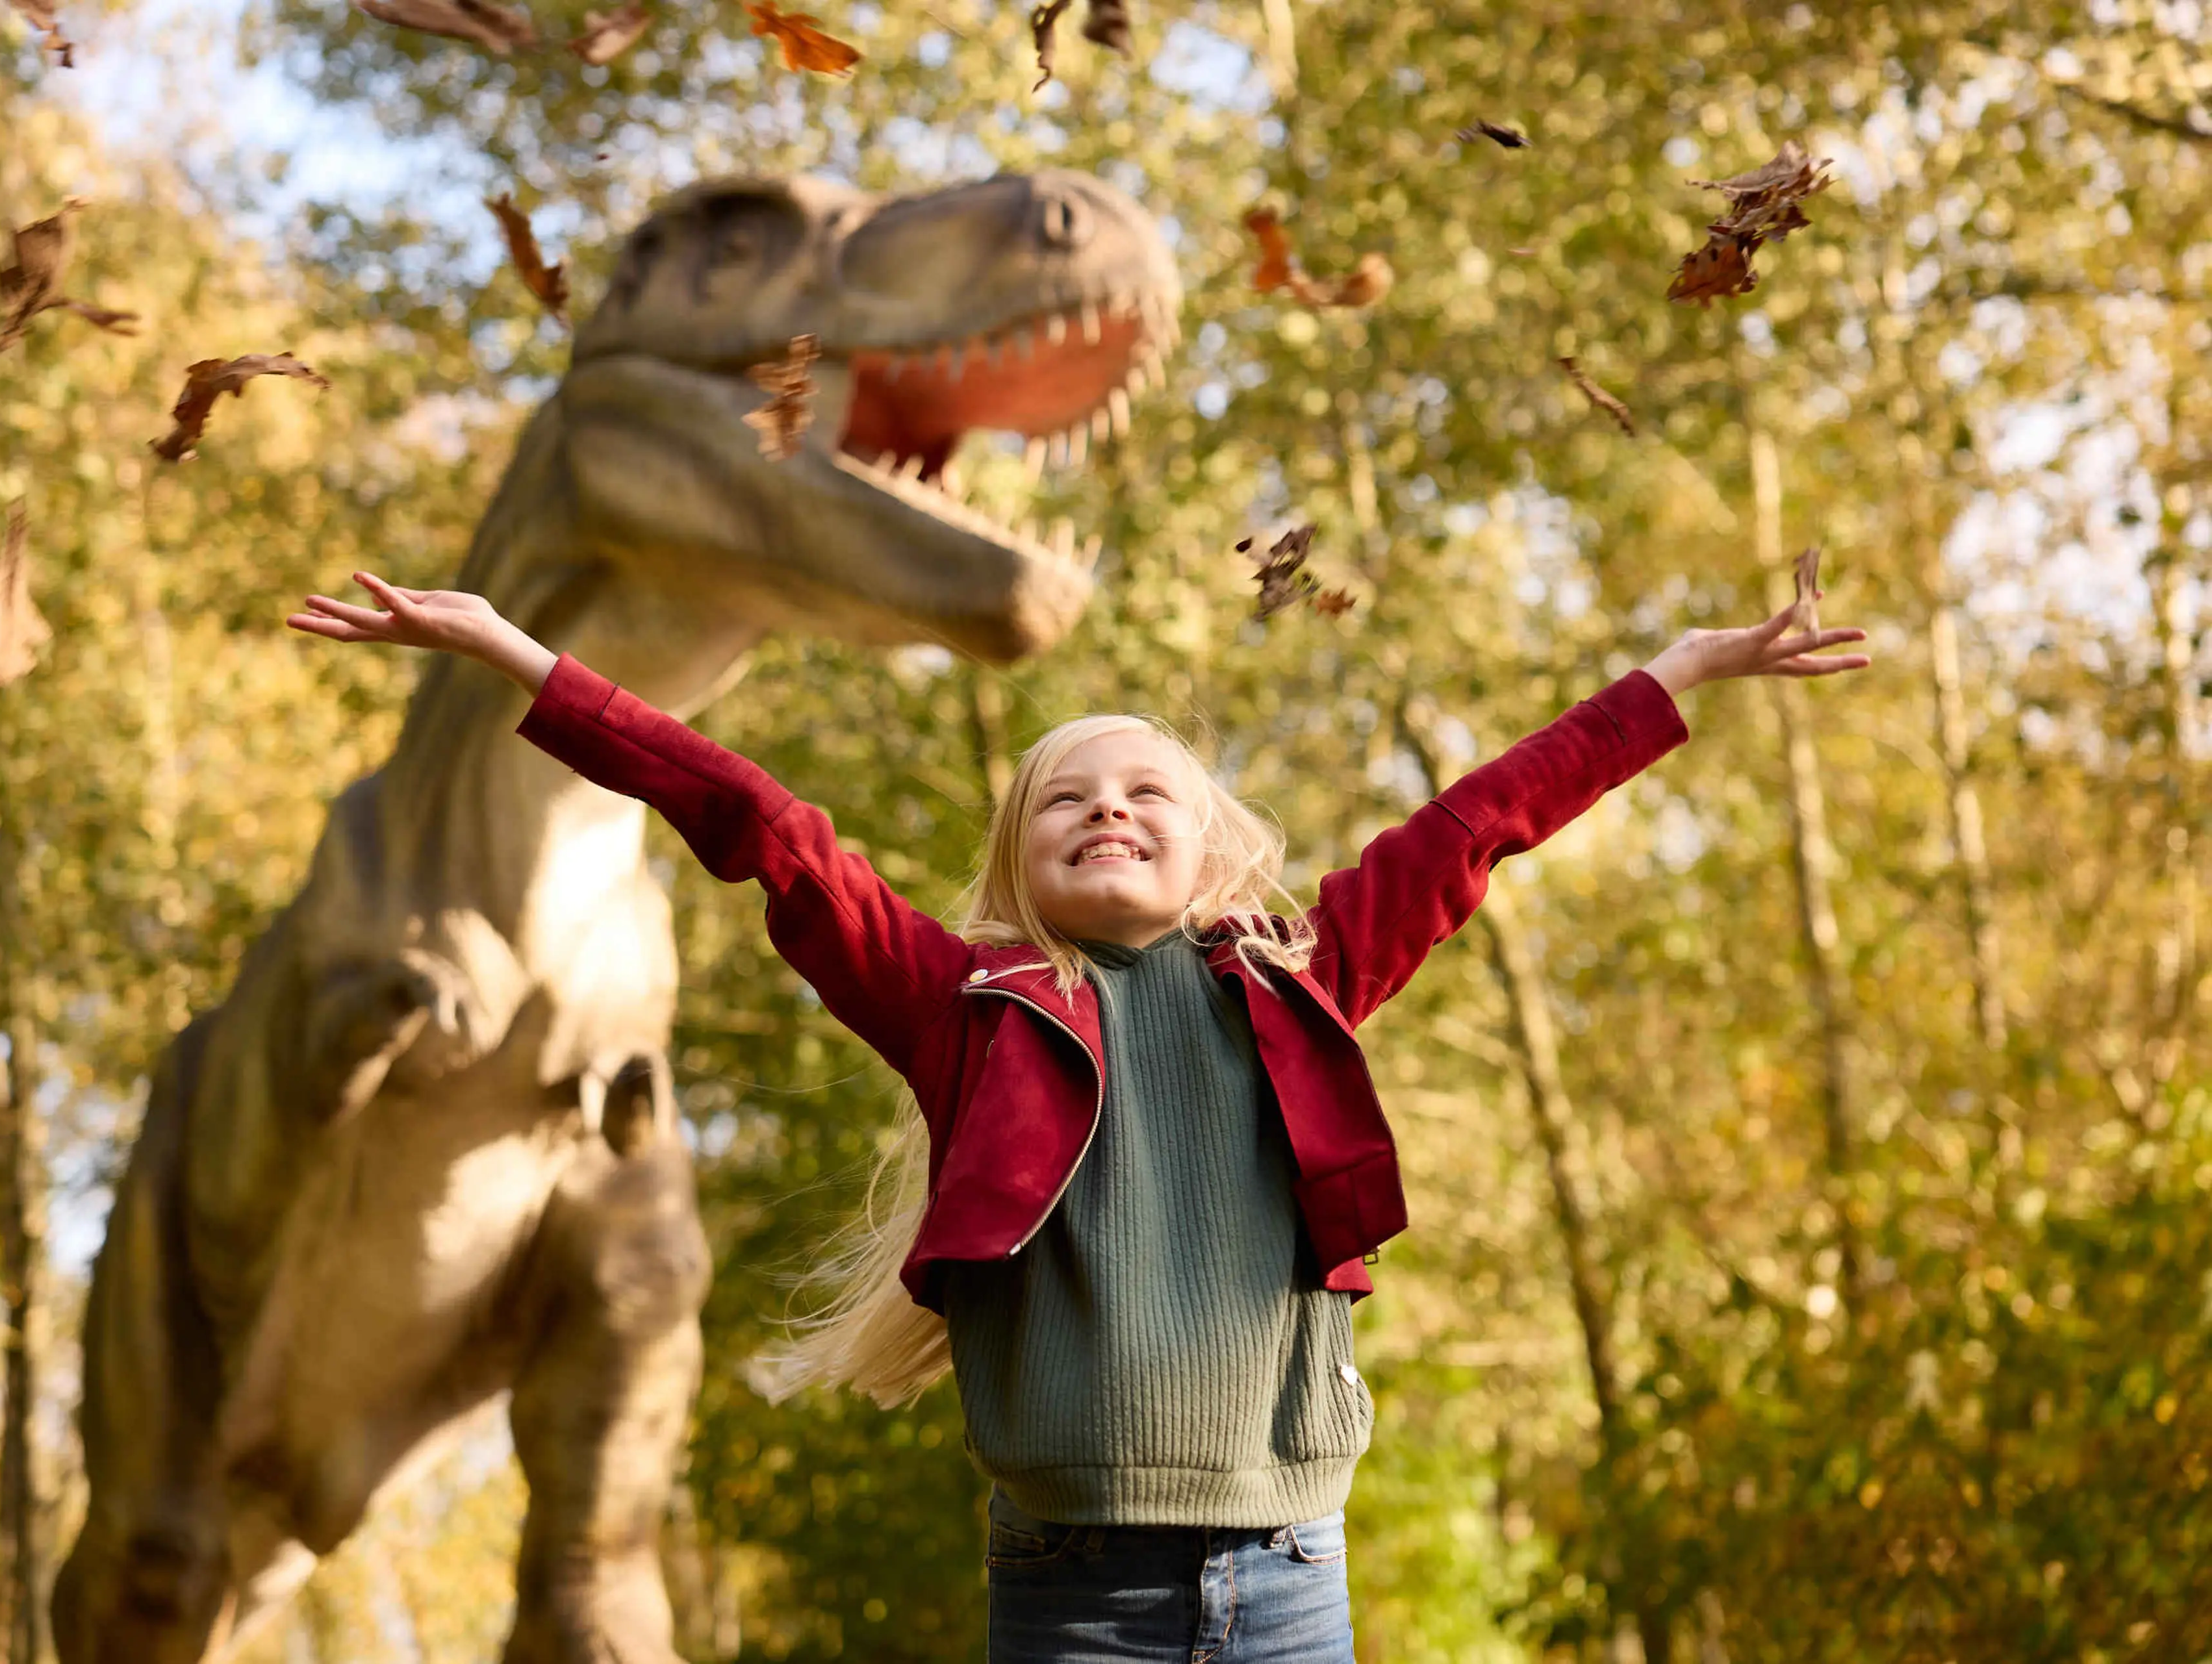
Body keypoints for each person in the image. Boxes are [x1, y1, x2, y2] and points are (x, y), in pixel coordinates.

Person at [288, 571, 1868, 1663]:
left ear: (1209, 859)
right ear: (1023, 864)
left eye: (1145, 794)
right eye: (1065, 797)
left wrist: (1687, 674)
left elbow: (1484, 822)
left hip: (1294, 1579)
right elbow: (764, 830)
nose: (1107, 806)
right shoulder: (965, 1014)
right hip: (1073, 1597)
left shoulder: (1302, 979)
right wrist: (527, 666)